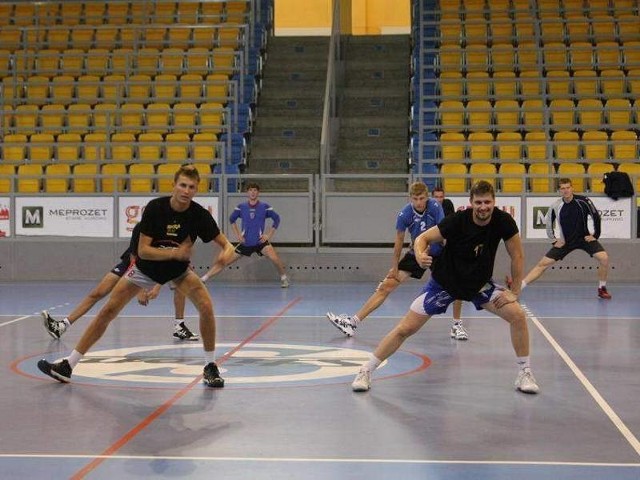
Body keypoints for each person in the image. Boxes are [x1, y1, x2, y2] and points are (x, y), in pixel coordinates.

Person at [37, 165, 236, 388]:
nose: (186, 191)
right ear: (174, 185)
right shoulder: (156, 208)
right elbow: (143, 251)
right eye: (182, 185)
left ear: (196, 190)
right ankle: (68, 366)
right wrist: (175, 253)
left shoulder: (199, 215)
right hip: (145, 269)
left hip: (178, 271)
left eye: (191, 187)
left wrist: (226, 253)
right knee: (108, 311)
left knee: (206, 307)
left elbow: (226, 244)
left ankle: (210, 366)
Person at [351, 181, 539, 394]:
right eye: (478, 202)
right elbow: (423, 238)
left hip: (478, 286)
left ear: (494, 202)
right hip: (445, 284)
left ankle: (525, 373)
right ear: (471, 203)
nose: (483, 207)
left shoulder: (504, 221)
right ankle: (366, 370)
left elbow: (517, 255)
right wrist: (421, 254)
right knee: (405, 329)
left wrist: (514, 292)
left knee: (518, 315)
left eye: (487, 202)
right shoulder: (457, 221)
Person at [327, 181, 471, 340]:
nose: (419, 202)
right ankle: (352, 322)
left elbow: (443, 232)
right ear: (410, 199)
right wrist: (394, 267)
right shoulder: (405, 214)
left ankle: (457, 325)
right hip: (417, 250)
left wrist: (430, 251)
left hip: (439, 249)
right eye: (415, 199)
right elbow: (399, 241)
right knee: (387, 285)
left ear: (427, 197)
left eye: (422, 198)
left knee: (457, 284)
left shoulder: (435, 207)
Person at [41, 223, 200, 342]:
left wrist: (157, 286)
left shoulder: (173, 232)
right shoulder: (142, 227)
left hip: (161, 265)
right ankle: (62, 326)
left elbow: (175, 260)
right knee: (98, 292)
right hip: (134, 264)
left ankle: (179, 326)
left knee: (181, 282)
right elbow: (133, 258)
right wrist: (140, 288)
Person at [509, 177, 612, 299]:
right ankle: (517, 287)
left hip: (584, 239)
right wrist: (553, 240)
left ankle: (602, 289)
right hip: (565, 242)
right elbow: (548, 224)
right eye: (563, 188)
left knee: (604, 258)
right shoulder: (556, 206)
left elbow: (596, 217)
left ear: (572, 188)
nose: (566, 190)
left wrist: (595, 235)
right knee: (542, 264)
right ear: (559, 190)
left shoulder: (584, 201)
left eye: (568, 187)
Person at [200, 182, 290, 287]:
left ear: (258, 193)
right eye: (250, 190)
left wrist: (268, 235)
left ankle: (284, 278)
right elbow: (232, 219)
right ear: (247, 192)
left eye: (255, 190)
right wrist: (238, 235)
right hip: (245, 242)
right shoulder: (241, 207)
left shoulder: (265, 207)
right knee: (225, 261)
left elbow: (277, 219)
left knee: (274, 258)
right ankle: (204, 279)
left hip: (260, 242)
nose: (253, 192)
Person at [432, 186, 465, 338]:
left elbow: (451, 228)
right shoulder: (428, 207)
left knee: (458, 284)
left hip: (446, 249)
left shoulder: (448, 205)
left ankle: (456, 324)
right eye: (436, 197)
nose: (439, 199)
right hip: (429, 248)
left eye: (441, 197)